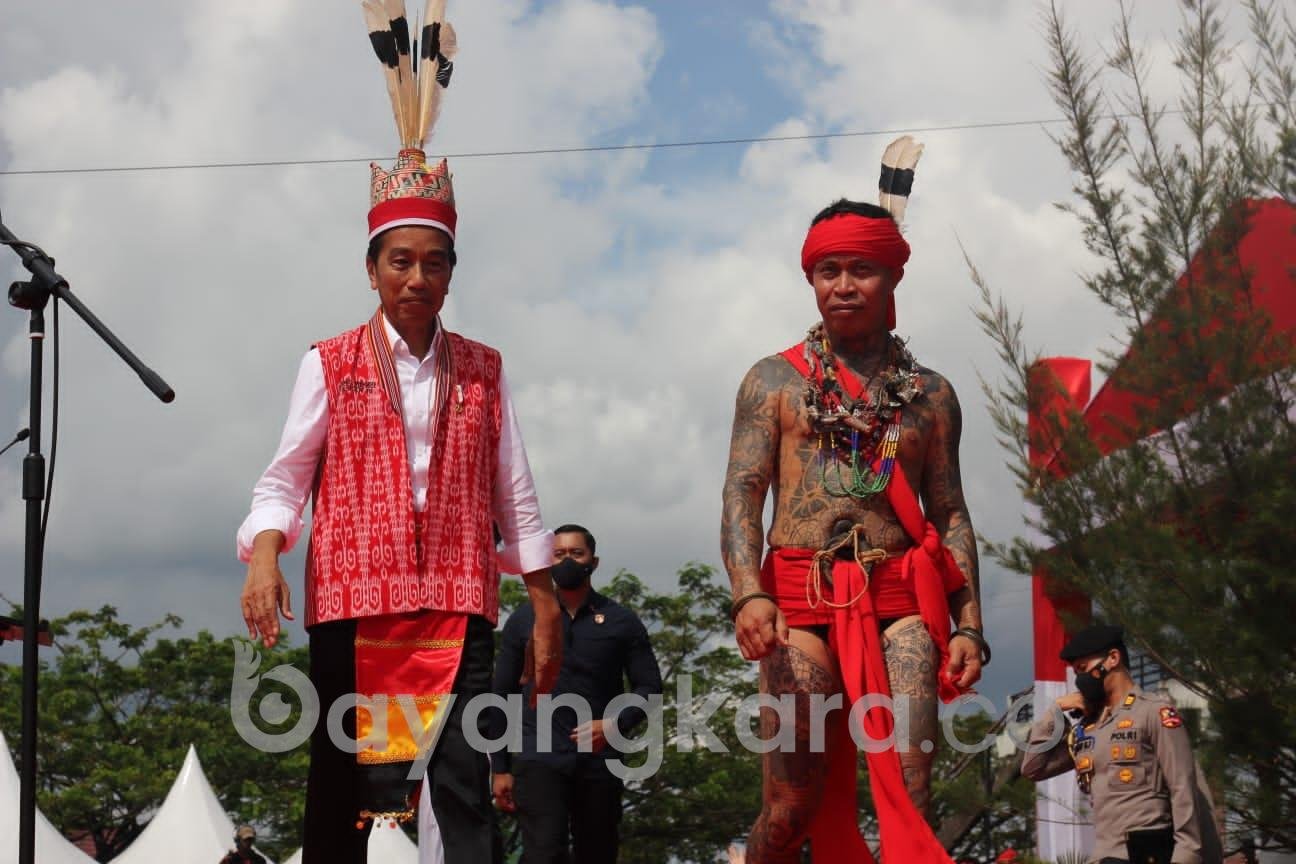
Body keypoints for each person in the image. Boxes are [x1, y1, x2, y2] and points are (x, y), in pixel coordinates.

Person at [236, 6, 560, 861]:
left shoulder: (484, 368)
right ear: (372, 268)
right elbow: (285, 478)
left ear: (453, 271)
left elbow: (516, 495)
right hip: (352, 604)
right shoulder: (329, 362)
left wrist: (543, 601)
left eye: (434, 261)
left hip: (458, 602)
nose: (417, 276)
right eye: (400, 260)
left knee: (465, 787)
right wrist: (266, 558)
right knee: (341, 790)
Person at [720, 137, 986, 863]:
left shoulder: (932, 395)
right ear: (810, 278)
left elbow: (950, 512)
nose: (843, 285)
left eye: (861, 269)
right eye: (827, 270)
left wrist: (969, 624)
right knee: (790, 807)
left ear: (892, 276)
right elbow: (743, 493)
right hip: (799, 598)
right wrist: (747, 595)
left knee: (910, 785)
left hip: (900, 597)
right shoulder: (772, 381)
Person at [490, 524, 663, 864]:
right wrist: (500, 767)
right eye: (558, 554)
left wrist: (612, 726)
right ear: (546, 561)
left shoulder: (621, 621)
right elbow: (501, 694)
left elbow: (649, 688)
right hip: (538, 758)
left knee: (597, 853)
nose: (567, 561)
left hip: (600, 761)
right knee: (543, 853)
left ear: (593, 562)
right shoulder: (524, 620)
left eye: (576, 553)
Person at [1021, 624, 1222, 864]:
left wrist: (1186, 855)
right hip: (1103, 855)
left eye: (1083, 669)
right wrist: (1054, 711)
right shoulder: (1088, 728)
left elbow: (1182, 787)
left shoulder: (1153, 712)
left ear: (1113, 658)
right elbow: (1033, 768)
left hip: (1148, 853)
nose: (1080, 680)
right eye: (1076, 672)